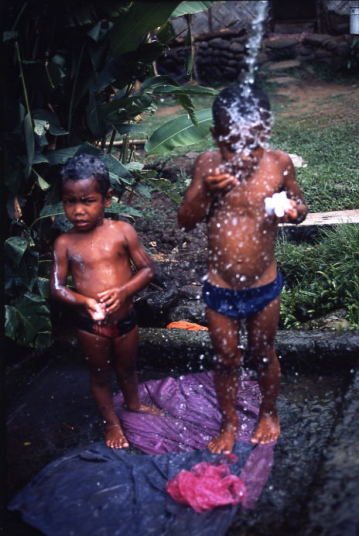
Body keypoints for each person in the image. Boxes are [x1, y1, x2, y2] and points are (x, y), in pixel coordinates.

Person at [178, 84, 308, 454]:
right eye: (232, 145)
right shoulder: (206, 165)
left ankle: (268, 411)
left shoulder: (278, 163)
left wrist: (296, 211)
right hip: (220, 288)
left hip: (264, 285)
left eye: (252, 145)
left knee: (265, 351)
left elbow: (300, 203)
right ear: (217, 135)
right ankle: (229, 420)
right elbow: (186, 219)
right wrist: (206, 191)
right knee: (225, 358)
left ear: (264, 132)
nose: (243, 155)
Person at [51, 154, 161, 449]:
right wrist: (85, 301)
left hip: (126, 320)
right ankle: (111, 423)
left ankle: (134, 404)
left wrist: (124, 292)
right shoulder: (65, 243)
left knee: (128, 368)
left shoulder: (122, 232)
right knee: (99, 376)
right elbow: (57, 287)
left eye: (87, 201)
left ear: (107, 199)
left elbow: (148, 269)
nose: (78, 210)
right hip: (91, 326)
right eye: (69, 202)